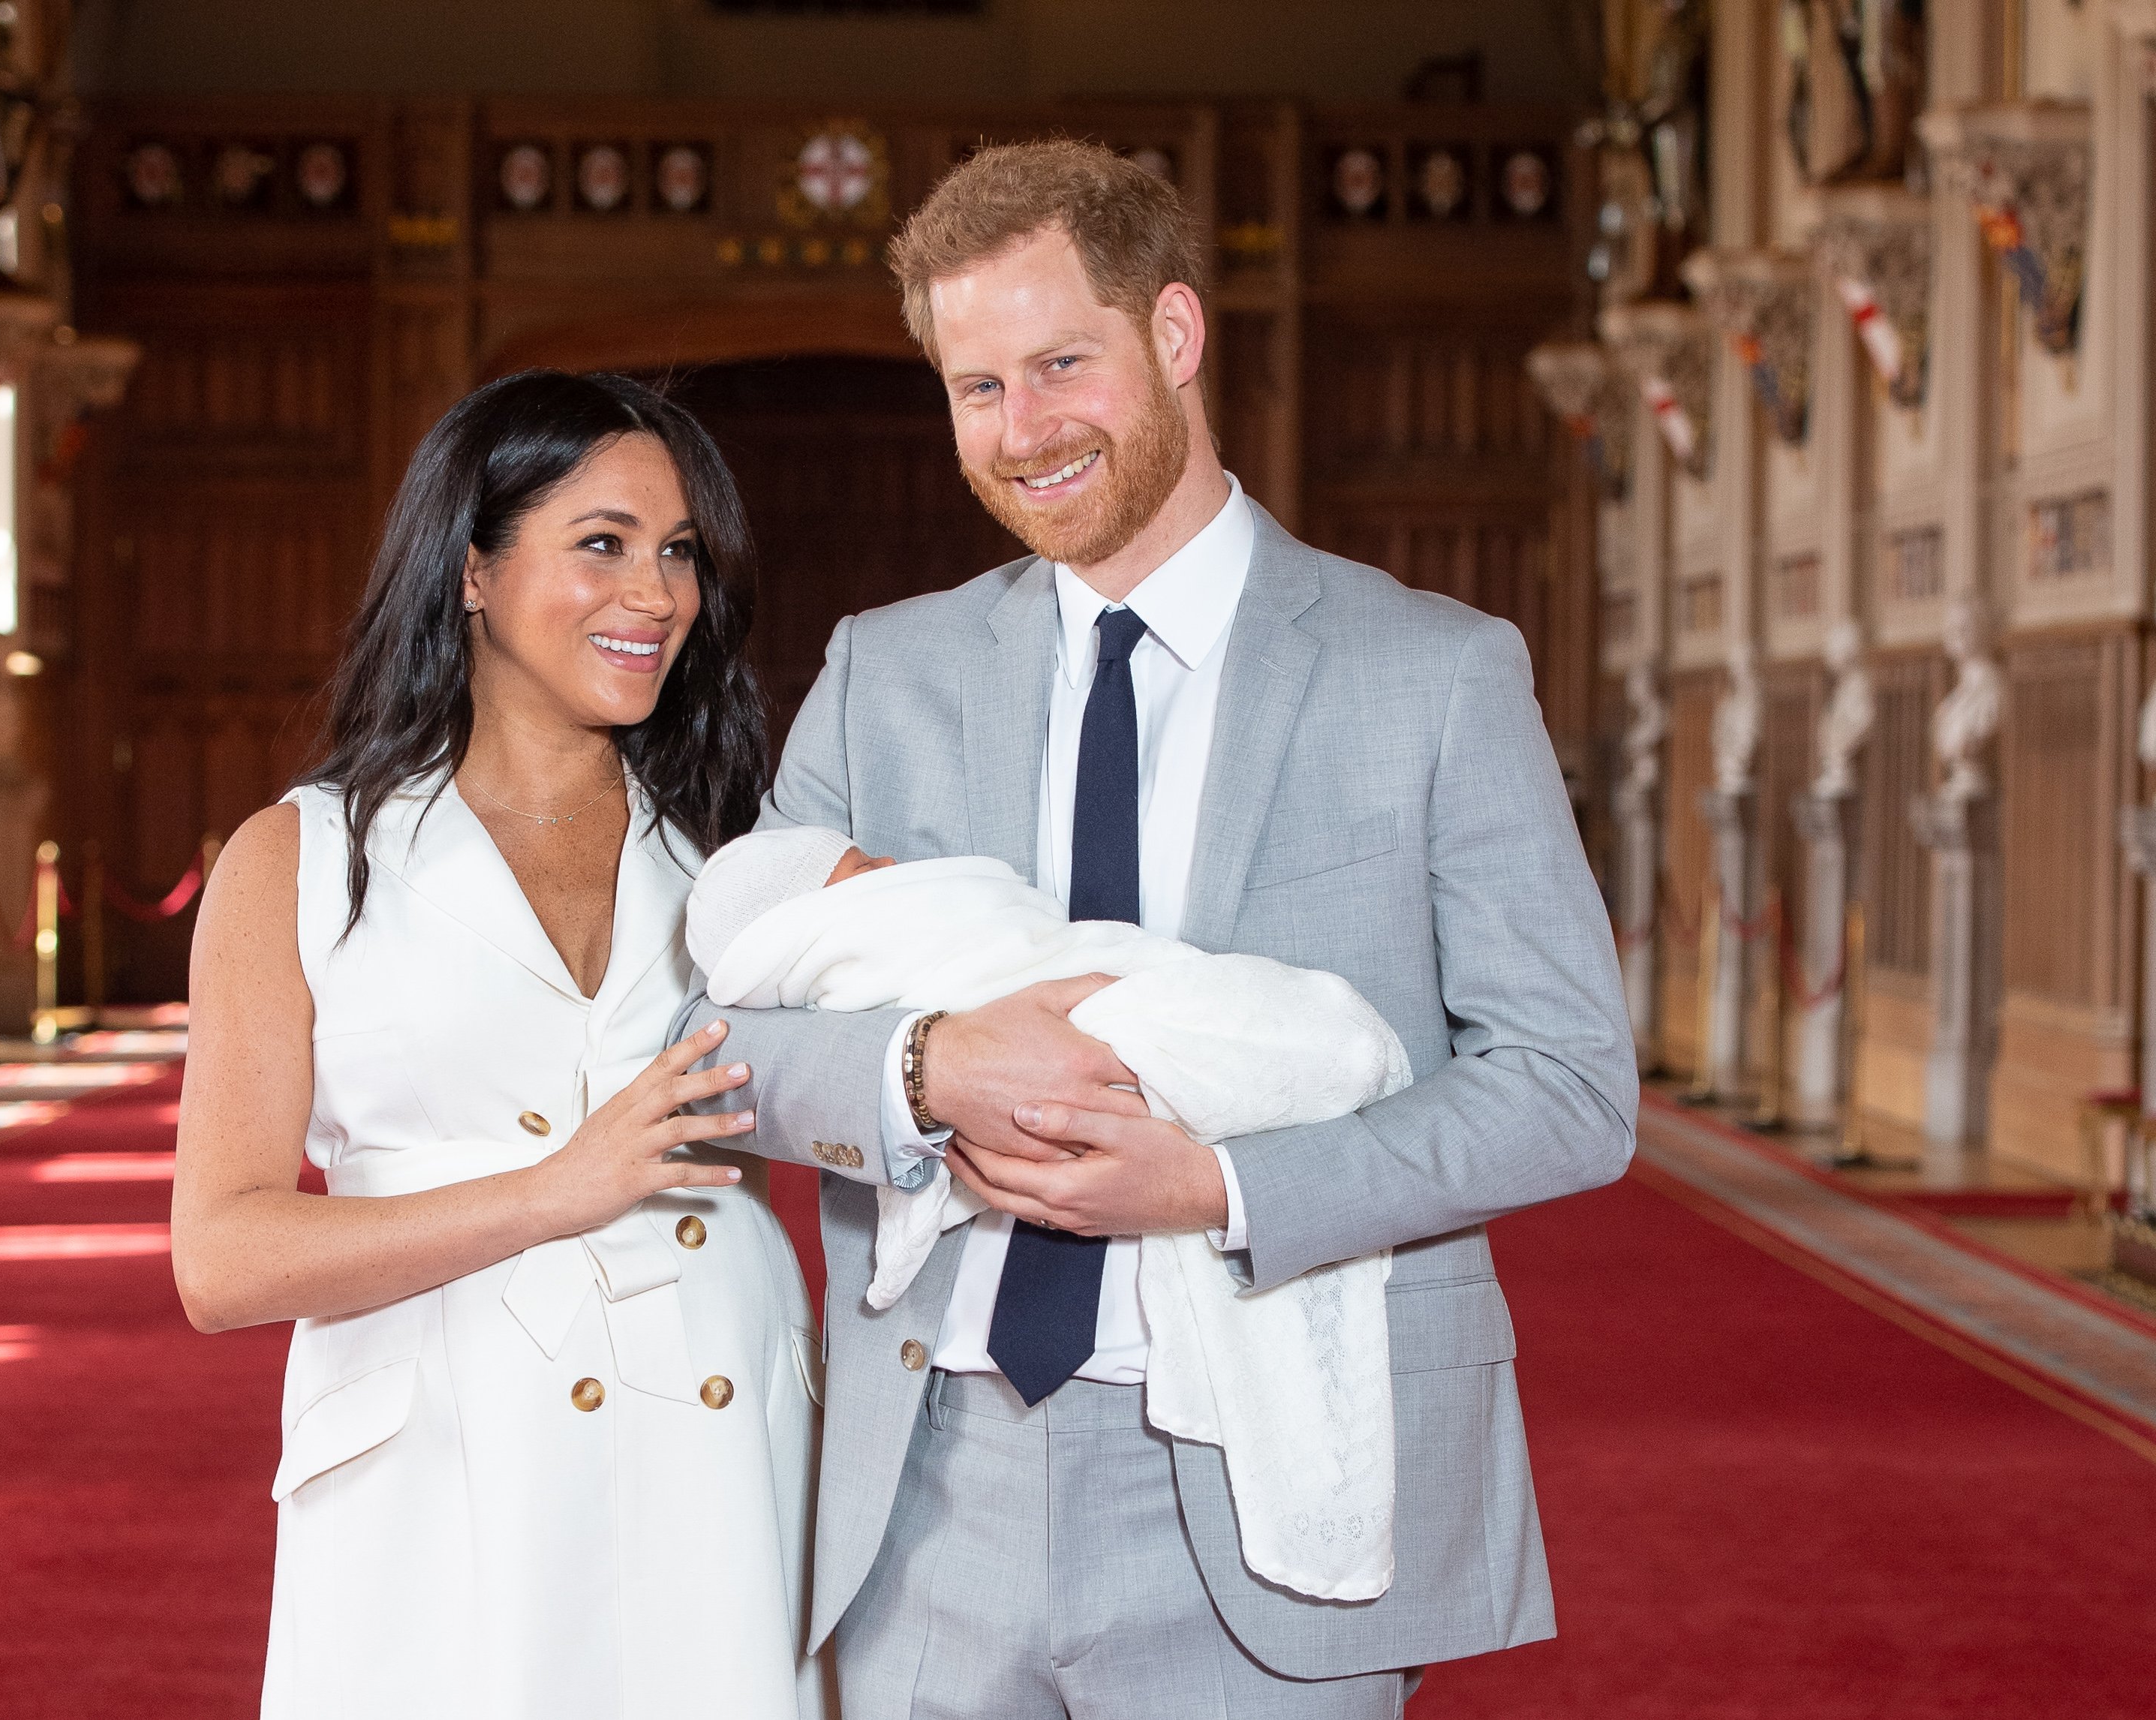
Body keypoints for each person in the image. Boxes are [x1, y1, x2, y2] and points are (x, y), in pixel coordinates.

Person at [678, 140, 1637, 1718]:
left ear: (1175, 336)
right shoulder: (886, 673)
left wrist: (1220, 1184)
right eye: (976, 386)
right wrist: (927, 1070)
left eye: (1062, 364)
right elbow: (728, 1043)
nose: (1022, 428)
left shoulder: (1434, 673)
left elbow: (1569, 1085)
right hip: (933, 1482)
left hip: (1265, 1476)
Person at [173, 370, 825, 1720]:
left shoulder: (735, 849)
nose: (653, 594)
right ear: (472, 567)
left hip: (716, 1436)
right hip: (441, 1468)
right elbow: (222, 1258)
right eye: (601, 543)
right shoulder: (300, 858)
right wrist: (550, 1192)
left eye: (679, 553)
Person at [684, 822, 1414, 1605]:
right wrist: (927, 1069)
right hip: (932, 1446)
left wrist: (1218, 1187)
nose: (893, 867)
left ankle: (1327, 1046)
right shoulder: (860, 721)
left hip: (1197, 1442)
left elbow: (1556, 1070)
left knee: (1261, 1032)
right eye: (864, 869)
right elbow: (706, 1046)